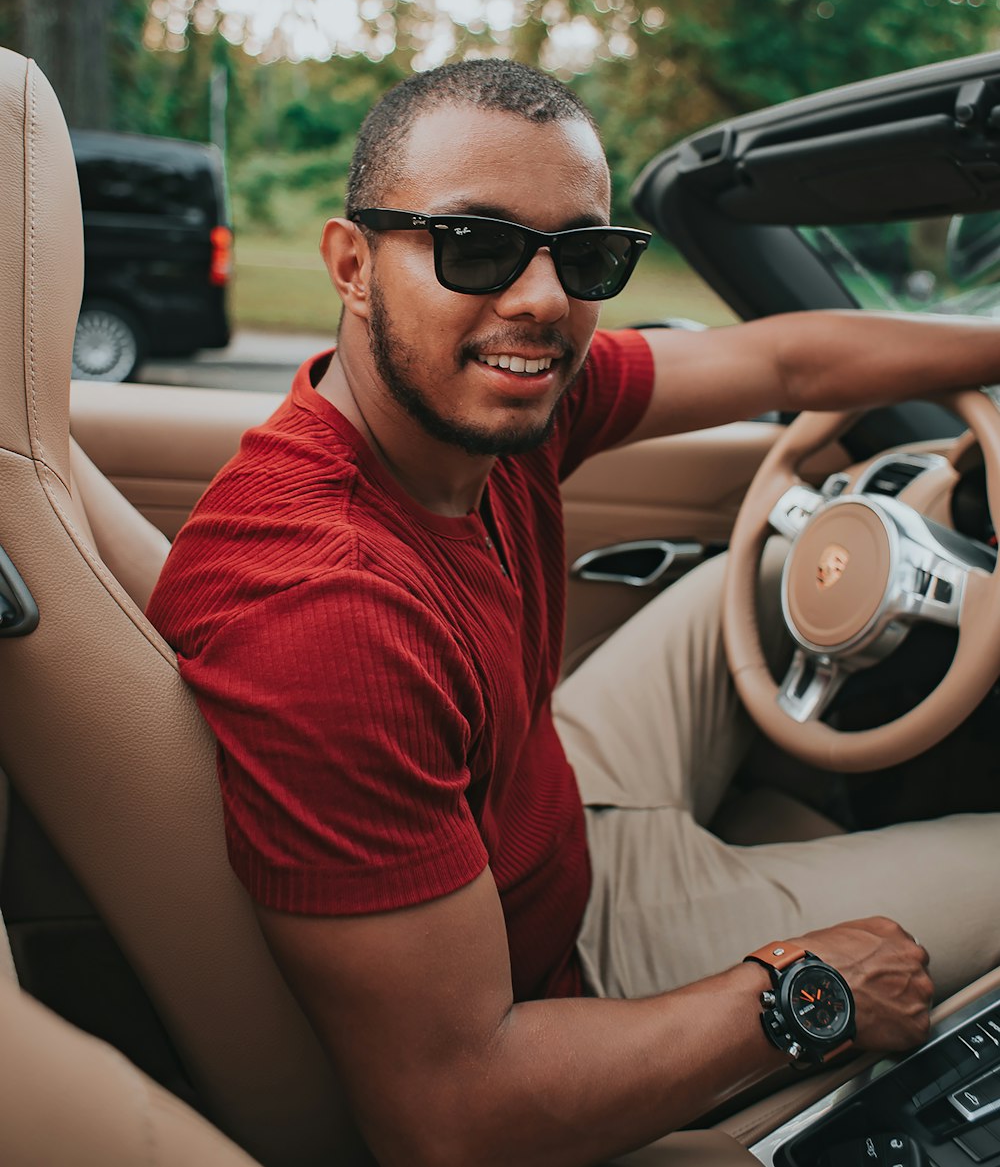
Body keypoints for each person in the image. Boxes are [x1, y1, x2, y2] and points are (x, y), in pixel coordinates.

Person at [148, 60, 1000, 1167]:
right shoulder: (330, 615)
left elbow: (783, 355)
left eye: (586, 254)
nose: (543, 299)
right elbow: (452, 1117)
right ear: (350, 264)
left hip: (538, 797)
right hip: (568, 966)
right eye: (476, 245)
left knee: (754, 571)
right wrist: (806, 989)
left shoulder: (499, 389)